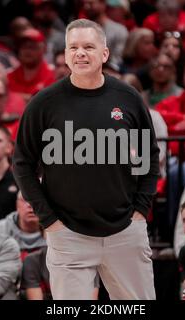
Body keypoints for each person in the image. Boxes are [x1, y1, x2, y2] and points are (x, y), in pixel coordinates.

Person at [13, 19, 160, 300]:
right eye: (74, 47)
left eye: (89, 47)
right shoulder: (43, 104)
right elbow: (22, 164)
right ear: (66, 54)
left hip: (125, 230)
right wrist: (50, 220)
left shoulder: (128, 98)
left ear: (104, 54)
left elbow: (149, 156)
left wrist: (141, 209)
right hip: (68, 233)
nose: (80, 53)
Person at [0, 190, 46, 261]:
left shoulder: (56, 233)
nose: (30, 205)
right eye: (25, 200)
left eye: (36, 200)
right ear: (17, 205)